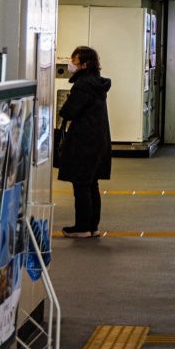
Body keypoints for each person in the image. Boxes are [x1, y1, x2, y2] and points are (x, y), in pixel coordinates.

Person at [56, 45, 112, 238]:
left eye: (74, 61)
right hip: (98, 139)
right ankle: (92, 226)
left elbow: (68, 111)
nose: (71, 64)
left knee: (81, 184)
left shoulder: (83, 85)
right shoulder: (97, 83)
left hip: (84, 141)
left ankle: (82, 228)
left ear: (84, 64)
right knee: (91, 184)